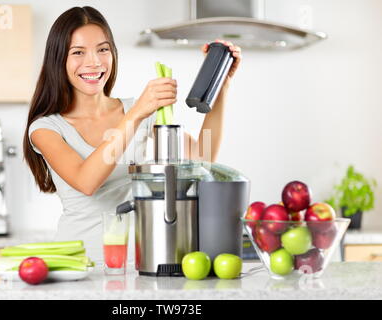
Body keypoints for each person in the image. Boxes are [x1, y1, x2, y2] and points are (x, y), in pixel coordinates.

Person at [23, 6, 241, 261]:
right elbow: (86, 182)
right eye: (78, 52)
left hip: (139, 261)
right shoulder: (46, 128)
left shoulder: (138, 112)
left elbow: (202, 158)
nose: (93, 62)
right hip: (81, 265)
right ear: (58, 59)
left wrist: (222, 85)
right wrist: (135, 114)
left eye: (102, 49)